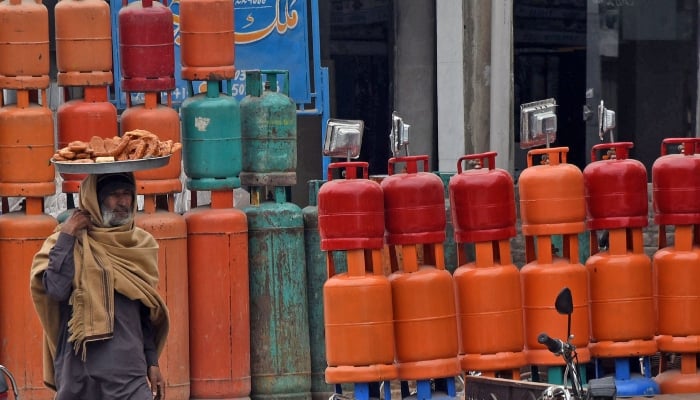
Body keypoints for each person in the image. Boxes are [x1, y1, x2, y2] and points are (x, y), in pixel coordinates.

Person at [30, 172, 170, 400]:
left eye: (127, 194)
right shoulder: (64, 242)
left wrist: (152, 362)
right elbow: (55, 289)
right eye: (113, 195)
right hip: (79, 373)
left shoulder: (139, 246)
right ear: (93, 200)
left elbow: (143, 312)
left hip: (128, 373)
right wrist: (67, 235)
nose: (122, 201)